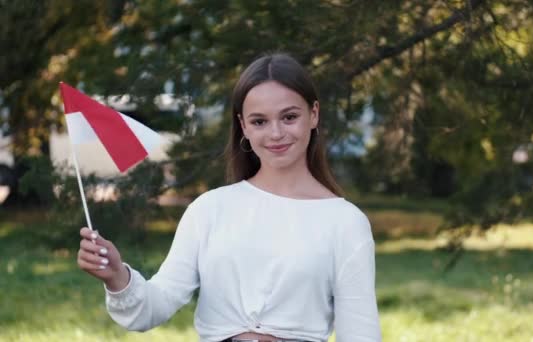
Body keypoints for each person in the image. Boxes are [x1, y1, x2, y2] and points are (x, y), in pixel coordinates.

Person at [77, 53, 381, 342]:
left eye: (289, 117)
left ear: (313, 115)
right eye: (260, 121)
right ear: (243, 126)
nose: (275, 133)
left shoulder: (345, 222)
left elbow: (360, 334)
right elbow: (154, 306)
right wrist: (118, 277)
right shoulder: (210, 209)